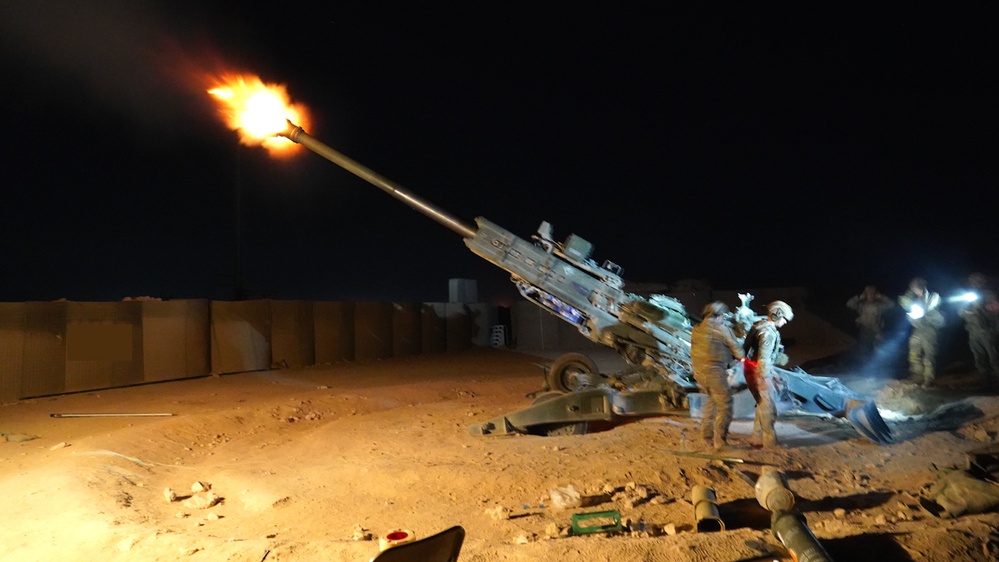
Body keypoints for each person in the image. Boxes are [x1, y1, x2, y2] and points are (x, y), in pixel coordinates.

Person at [690, 301, 744, 451]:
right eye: (723, 316)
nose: (724, 319)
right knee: (725, 404)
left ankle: (706, 433)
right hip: (714, 373)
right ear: (718, 315)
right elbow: (739, 352)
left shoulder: (697, 329)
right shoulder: (722, 330)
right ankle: (720, 443)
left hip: (699, 373)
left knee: (712, 401)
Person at [743, 300, 793, 449]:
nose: (784, 322)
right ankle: (770, 443)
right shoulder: (768, 333)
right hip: (759, 372)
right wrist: (765, 378)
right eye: (784, 318)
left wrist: (774, 364)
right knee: (769, 407)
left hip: (751, 368)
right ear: (777, 315)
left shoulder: (759, 325)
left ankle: (757, 438)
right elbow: (763, 358)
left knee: (761, 404)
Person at [898, 277, 945, 388]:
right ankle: (917, 376)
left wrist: (921, 310)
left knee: (929, 355)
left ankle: (928, 378)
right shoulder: (914, 298)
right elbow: (903, 301)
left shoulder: (933, 296)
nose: (915, 290)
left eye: (916, 288)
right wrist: (910, 294)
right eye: (913, 289)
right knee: (914, 354)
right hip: (917, 330)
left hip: (929, 329)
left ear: (922, 287)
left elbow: (929, 307)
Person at [959, 273, 999, 384]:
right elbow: (961, 313)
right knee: (979, 357)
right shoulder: (969, 295)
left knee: (994, 357)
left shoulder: (988, 294)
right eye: (973, 281)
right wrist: (969, 310)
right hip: (973, 331)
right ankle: (985, 379)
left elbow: (995, 310)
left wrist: (982, 308)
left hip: (987, 331)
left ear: (982, 282)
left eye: (977, 281)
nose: (974, 283)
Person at [846, 285, 894, 356]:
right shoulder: (861, 305)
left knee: (878, 350)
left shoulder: (879, 305)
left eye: (872, 293)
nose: (870, 295)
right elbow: (849, 304)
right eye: (868, 294)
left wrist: (882, 297)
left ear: (875, 295)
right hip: (865, 330)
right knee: (864, 350)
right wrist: (858, 297)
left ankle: (878, 364)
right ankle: (865, 364)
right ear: (865, 295)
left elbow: (891, 305)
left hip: (876, 330)